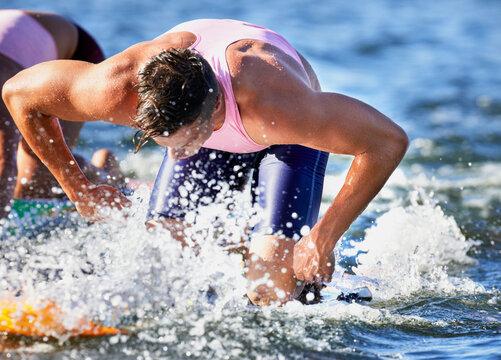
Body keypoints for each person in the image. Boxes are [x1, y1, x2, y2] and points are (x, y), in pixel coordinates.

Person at [3, 19, 409, 305]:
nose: (176, 155)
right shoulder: (115, 88)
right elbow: (18, 95)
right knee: (164, 267)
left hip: (281, 138)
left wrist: (324, 237)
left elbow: (387, 142)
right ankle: (248, 245)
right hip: (190, 105)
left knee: (270, 292)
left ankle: (316, 275)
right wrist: (79, 190)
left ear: (214, 115)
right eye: (167, 145)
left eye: (185, 143)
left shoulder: (282, 106)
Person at [0, 9, 124, 219]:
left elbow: (5, 163)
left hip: (74, 53)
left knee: (33, 181)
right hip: (26, 42)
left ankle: (106, 173)